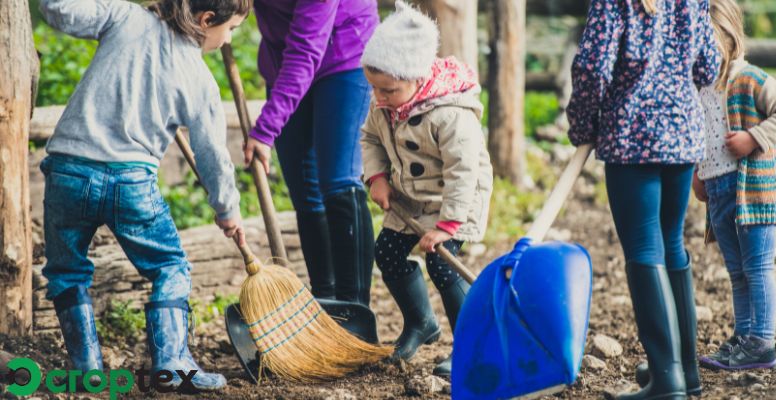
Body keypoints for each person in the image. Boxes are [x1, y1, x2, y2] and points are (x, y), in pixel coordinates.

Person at [38, 0, 249, 391]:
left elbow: (60, 11)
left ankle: (87, 371)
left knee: (67, 271)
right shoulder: (198, 77)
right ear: (206, 21)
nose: (228, 38)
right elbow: (213, 157)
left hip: (68, 170)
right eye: (231, 28)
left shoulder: (125, 16)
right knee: (169, 267)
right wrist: (227, 209)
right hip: (129, 182)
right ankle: (171, 365)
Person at [566, 0, 721, 398]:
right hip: (683, 133)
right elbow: (708, 66)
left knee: (644, 247)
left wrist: (582, 123)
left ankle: (666, 378)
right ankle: (684, 372)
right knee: (671, 242)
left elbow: (592, 67)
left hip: (632, 134)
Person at [359, 1, 493, 378]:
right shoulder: (385, 103)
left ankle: (471, 347)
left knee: (441, 262)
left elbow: (463, 172)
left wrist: (447, 225)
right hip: (411, 196)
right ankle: (421, 323)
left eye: (388, 90)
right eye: (375, 89)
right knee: (386, 251)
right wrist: (378, 176)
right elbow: (369, 138)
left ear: (417, 78)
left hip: (456, 200)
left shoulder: (451, 113)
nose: (379, 98)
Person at [244, 0, 379, 306]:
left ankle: (353, 310)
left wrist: (265, 129)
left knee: (338, 180)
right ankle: (325, 302)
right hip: (283, 60)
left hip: (344, 54)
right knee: (304, 190)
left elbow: (306, 51)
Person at [693, 0, 776, 372]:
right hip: (719, 192)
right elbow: (701, 135)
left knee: (758, 269)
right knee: (736, 272)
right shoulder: (699, 86)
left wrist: (754, 137)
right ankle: (743, 336)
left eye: (705, 39)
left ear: (728, 36)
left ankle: (763, 342)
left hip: (753, 190)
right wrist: (698, 173)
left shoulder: (749, 77)